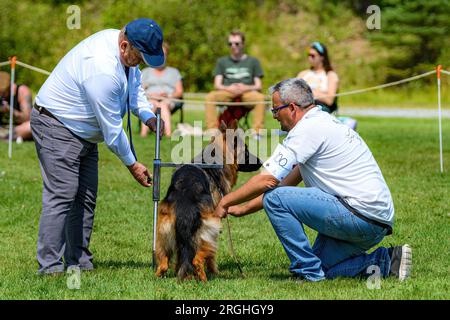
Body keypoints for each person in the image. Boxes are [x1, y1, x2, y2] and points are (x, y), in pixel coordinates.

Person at [215, 78, 412, 282]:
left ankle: (307, 272)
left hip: (359, 216)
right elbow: (286, 182)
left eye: (275, 110)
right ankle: (387, 260)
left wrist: (225, 201)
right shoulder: (323, 121)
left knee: (276, 200)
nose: (273, 116)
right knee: (322, 267)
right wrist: (244, 208)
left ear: (291, 108)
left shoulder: (306, 129)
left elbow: (268, 180)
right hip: (374, 220)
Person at [31, 18, 165, 275]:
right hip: (56, 125)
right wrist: (133, 165)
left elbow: (134, 87)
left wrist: (147, 115)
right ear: (124, 45)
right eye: (140, 57)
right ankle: (49, 267)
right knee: (63, 194)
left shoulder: (124, 51)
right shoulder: (102, 69)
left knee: (86, 198)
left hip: (83, 133)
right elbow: (113, 130)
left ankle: (78, 261)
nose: (140, 63)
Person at [205, 30, 265, 137]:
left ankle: (257, 132)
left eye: (236, 43)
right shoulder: (222, 61)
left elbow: (258, 85)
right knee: (210, 97)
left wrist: (245, 87)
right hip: (227, 92)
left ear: (243, 44)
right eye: (230, 44)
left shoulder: (253, 61)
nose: (233, 46)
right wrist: (229, 88)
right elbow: (217, 84)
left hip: (247, 93)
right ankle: (212, 130)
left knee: (260, 98)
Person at [140, 42, 183, 137]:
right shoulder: (146, 72)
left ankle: (167, 134)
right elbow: (140, 90)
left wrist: (168, 96)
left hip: (168, 100)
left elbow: (179, 92)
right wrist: (151, 95)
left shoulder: (174, 72)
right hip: (150, 98)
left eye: (163, 54)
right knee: (151, 104)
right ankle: (143, 134)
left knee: (163, 105)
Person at [297, 42, 339, 114]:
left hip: (322, 111)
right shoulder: (303, 74)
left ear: (322, 57)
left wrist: (307, 91)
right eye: (308, 55)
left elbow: (329, 100)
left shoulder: (330, 75)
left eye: (313, 55)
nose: (309, 58)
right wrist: (320, 93)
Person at [0, 71, 33, 141]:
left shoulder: (22, 91)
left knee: (30, 126)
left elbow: (27, 118)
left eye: (2, 93)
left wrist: (10, 110)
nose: (1, 96)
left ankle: (7, 137)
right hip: (3, 128)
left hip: (20, 128)